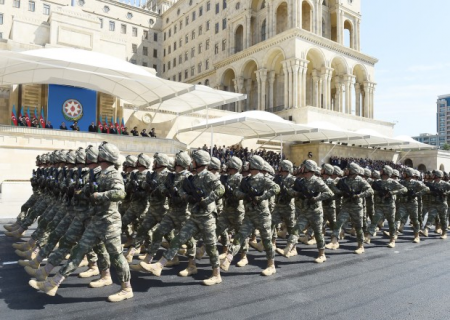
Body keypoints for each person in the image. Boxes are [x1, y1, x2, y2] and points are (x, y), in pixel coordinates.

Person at [29, 142, 133, 302]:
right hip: (95, 220)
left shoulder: (113, 174)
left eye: (100, 153)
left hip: (109, 223)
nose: (96, 156)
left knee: (116, 256)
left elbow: (120, 193)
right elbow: (87, 191)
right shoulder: (99, 174)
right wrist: (79, 192)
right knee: (78, 251)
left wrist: (100, 195)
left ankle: (127, 289)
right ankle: (53, 283)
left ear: (103, 156)